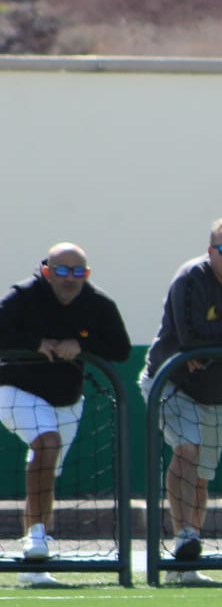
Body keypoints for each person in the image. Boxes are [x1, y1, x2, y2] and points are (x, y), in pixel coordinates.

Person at [139, 217, 222, 583]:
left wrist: (213, 344)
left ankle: (186, 563)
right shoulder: (189, 279)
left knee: (200, 475)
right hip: (171, 382)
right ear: (210, 250)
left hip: (220, 394)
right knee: (187, 450)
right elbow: (192, 338)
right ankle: (185, 536)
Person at [0, 243, 131, 587]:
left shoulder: (98, 303)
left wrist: (82, 345)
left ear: (86, 274)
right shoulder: (22, 297)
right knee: (47, 442)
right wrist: (34, 343)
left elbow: (120, 348)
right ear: (47, 271)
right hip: (15, 390)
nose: (69, 278)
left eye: (77, 272)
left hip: (67, 399)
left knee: (47, 468)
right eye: (61, 270)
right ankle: (36, 537)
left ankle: (34, 564)